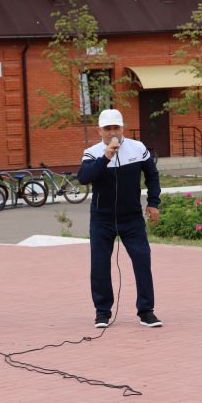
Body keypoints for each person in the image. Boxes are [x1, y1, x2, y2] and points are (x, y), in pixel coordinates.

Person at [77, 109, 162, 329]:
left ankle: (146, 312)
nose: (112, 132)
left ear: (123, 128)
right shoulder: (92, 152)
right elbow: (84, 178)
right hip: (102, 219)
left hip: (132, 218)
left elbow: (152, 175)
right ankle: (102, 312)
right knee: (100, 265)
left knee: (142, 260)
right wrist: (106, 156)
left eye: (116, 127)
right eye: (108, 128)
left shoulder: (138, 148)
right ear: (100, 131)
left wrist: (153, 203)